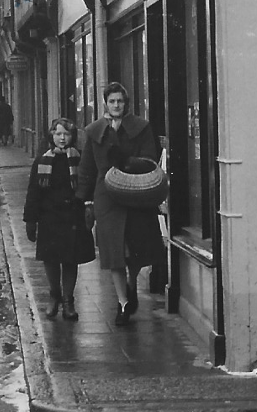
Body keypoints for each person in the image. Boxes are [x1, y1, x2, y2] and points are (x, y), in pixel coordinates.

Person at [77, 82, 162, 326]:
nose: (116, 105)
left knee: (133, 248)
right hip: (107, 197)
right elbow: (87, 168)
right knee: (114, 252)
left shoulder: (141, 128)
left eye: (120, 101)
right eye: (112, 101)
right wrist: (84, 202)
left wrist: (126, 162)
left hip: (135, 193)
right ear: (105, 102)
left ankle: (132, 283)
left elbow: (150, 159)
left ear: (126, 103)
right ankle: (123, 301)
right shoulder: (94, 131)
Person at [23, 118, 95, 321]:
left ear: (72, 137)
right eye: (58, 134)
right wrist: (31, 220)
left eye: (66, 134)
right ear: (52, 136)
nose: (62, 138)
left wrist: (88, 206)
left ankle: (68, 301)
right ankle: (54, 295)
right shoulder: (42, 161)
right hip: (50, 218)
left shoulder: (79, 159)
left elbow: (87, 185)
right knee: (51, 260)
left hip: (73, 216)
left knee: (71, 261)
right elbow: (33, 192)